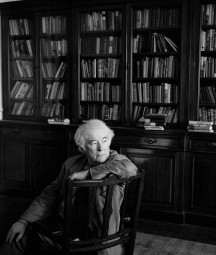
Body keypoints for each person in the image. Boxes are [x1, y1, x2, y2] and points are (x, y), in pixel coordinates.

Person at [0, 119, 138, 255]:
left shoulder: (117, 160)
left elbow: (130, 169)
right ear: (82, 147)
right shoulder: (71, 164)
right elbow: (49, 195)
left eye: (104, 140)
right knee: (14, 241)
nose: (101, 148)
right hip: (65, 229)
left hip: (98, 238)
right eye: (93, 142)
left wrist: (88, 174)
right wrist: (23, 221)